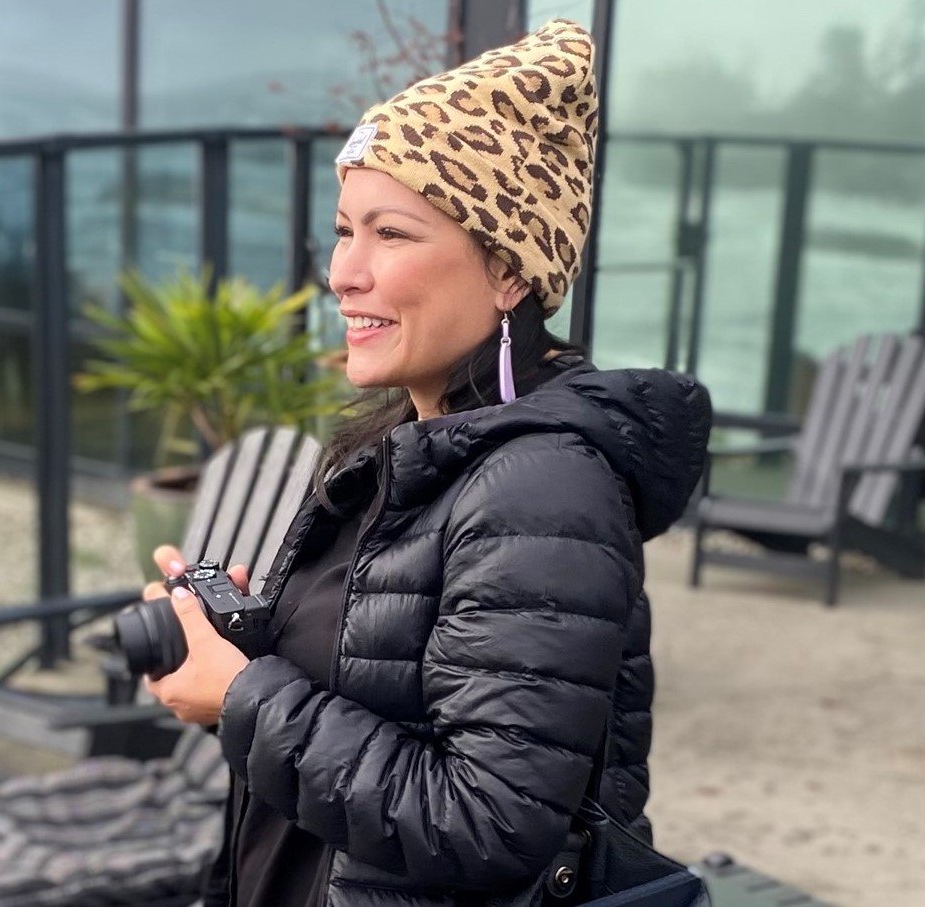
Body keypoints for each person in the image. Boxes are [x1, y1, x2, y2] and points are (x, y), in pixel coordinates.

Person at [142, 19, 712, 906]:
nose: (344, 273)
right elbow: (382, 690)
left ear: (507, 272)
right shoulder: (401, 451)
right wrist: (241, 640)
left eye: (392, 235)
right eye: (342, 230)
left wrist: (245, 695)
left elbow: (488, 821)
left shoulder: (540, 485)